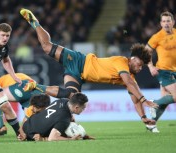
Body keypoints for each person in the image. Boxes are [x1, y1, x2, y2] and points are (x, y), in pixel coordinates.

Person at [20, 8, 159, 126]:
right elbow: (129, 83)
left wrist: (143, 117)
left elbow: (135, 99)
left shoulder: (130, 78)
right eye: (140, 65)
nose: (140, 69)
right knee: (46, 47)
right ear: (133, 59)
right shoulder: (122, 62)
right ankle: (35, 22)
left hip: (78, 76)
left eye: (142, 67)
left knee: (71, 96)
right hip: (78, 61)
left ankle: (36, 86)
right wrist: (144, 99)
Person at [0, 73, 51, 137]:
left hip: (20, 87)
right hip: (32, 86)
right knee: (30, 115)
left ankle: (1, 126)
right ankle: (40, 132)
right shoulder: (9, 77)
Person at [145, 11, 176, 133]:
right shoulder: (157, 37)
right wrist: (151, 67)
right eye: (164, 21)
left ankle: (151, 124)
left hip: (174, 71)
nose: (166, 23)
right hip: (163, 71)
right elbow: (146, 52)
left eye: (168, 21)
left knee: (165, 102)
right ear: (160, 23)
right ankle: (153, 102)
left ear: (173, 22)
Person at [18, 93, 94, 141]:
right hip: (31, 134)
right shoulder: (64, 119)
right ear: (76, 107)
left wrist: (82, 134)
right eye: (83, 108)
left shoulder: (63, 101)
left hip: (27, 123)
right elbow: (52, 138)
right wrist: (71, 139)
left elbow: (71, 118)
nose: (83, 110)